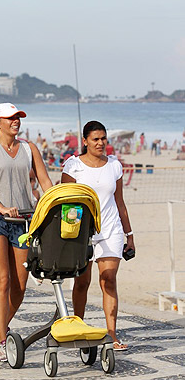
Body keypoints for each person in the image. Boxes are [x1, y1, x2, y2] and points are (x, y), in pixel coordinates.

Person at [0, 103, 52, 362]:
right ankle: (2, 339)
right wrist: (1, 207)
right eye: (10, 118)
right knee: (3, 280)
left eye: (18, 117)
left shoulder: (29, 149)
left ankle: (0, 322)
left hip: (23, 222)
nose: (16, 121)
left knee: (20, 285)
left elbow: (44, 181)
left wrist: (52, 202)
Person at [61, 120, 135, 351]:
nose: (101, 143)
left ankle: (111, 333)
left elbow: (120, 202)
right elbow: (65, 204)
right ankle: (78, 327)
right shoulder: (73, 166)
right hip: (82, 233)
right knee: (82, 282)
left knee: (109, 279)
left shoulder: (114, 166)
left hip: (111, 229)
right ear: (85, 141)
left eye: (103, 138)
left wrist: (129, 234)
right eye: (95, 139)